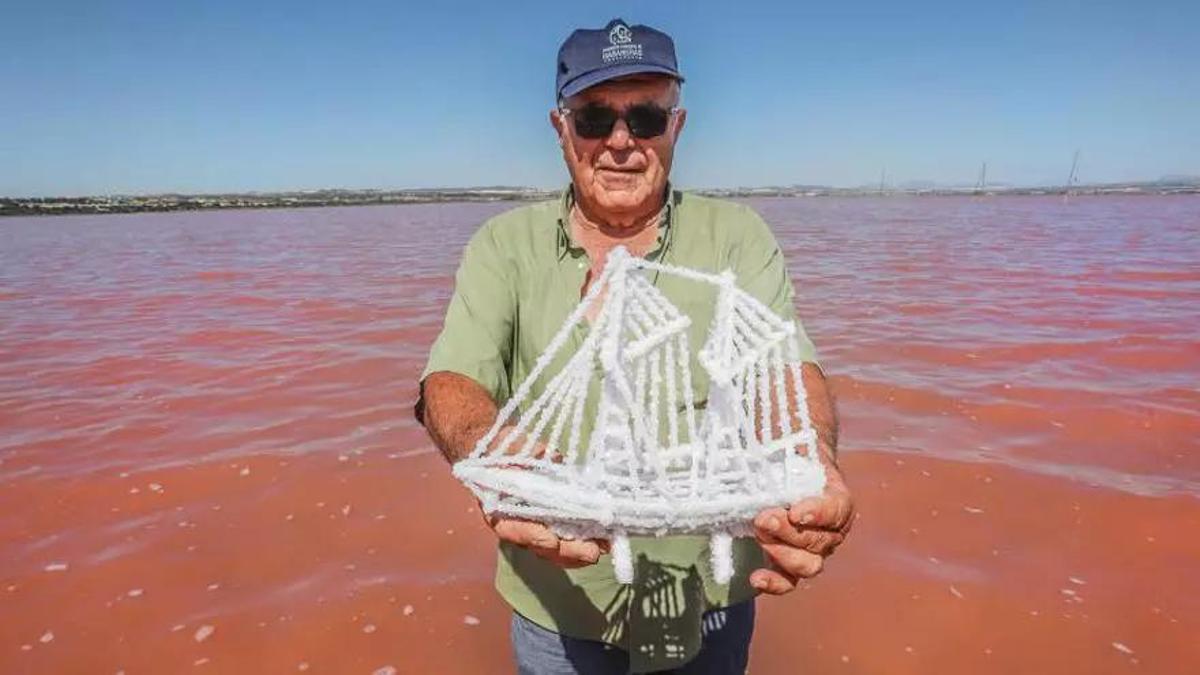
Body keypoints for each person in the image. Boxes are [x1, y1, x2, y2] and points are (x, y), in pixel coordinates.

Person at [416, 18, 854, 674]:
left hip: (708, 596)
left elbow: (783, 371)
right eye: (594, 119)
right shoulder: (502, 246)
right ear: (561, 128)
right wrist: (497, 459)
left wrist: (810, 458)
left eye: (646, 116)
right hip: (558, 603)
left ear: (675, 126)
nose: (621, 141)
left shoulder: (736, 237)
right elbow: (449, 382)